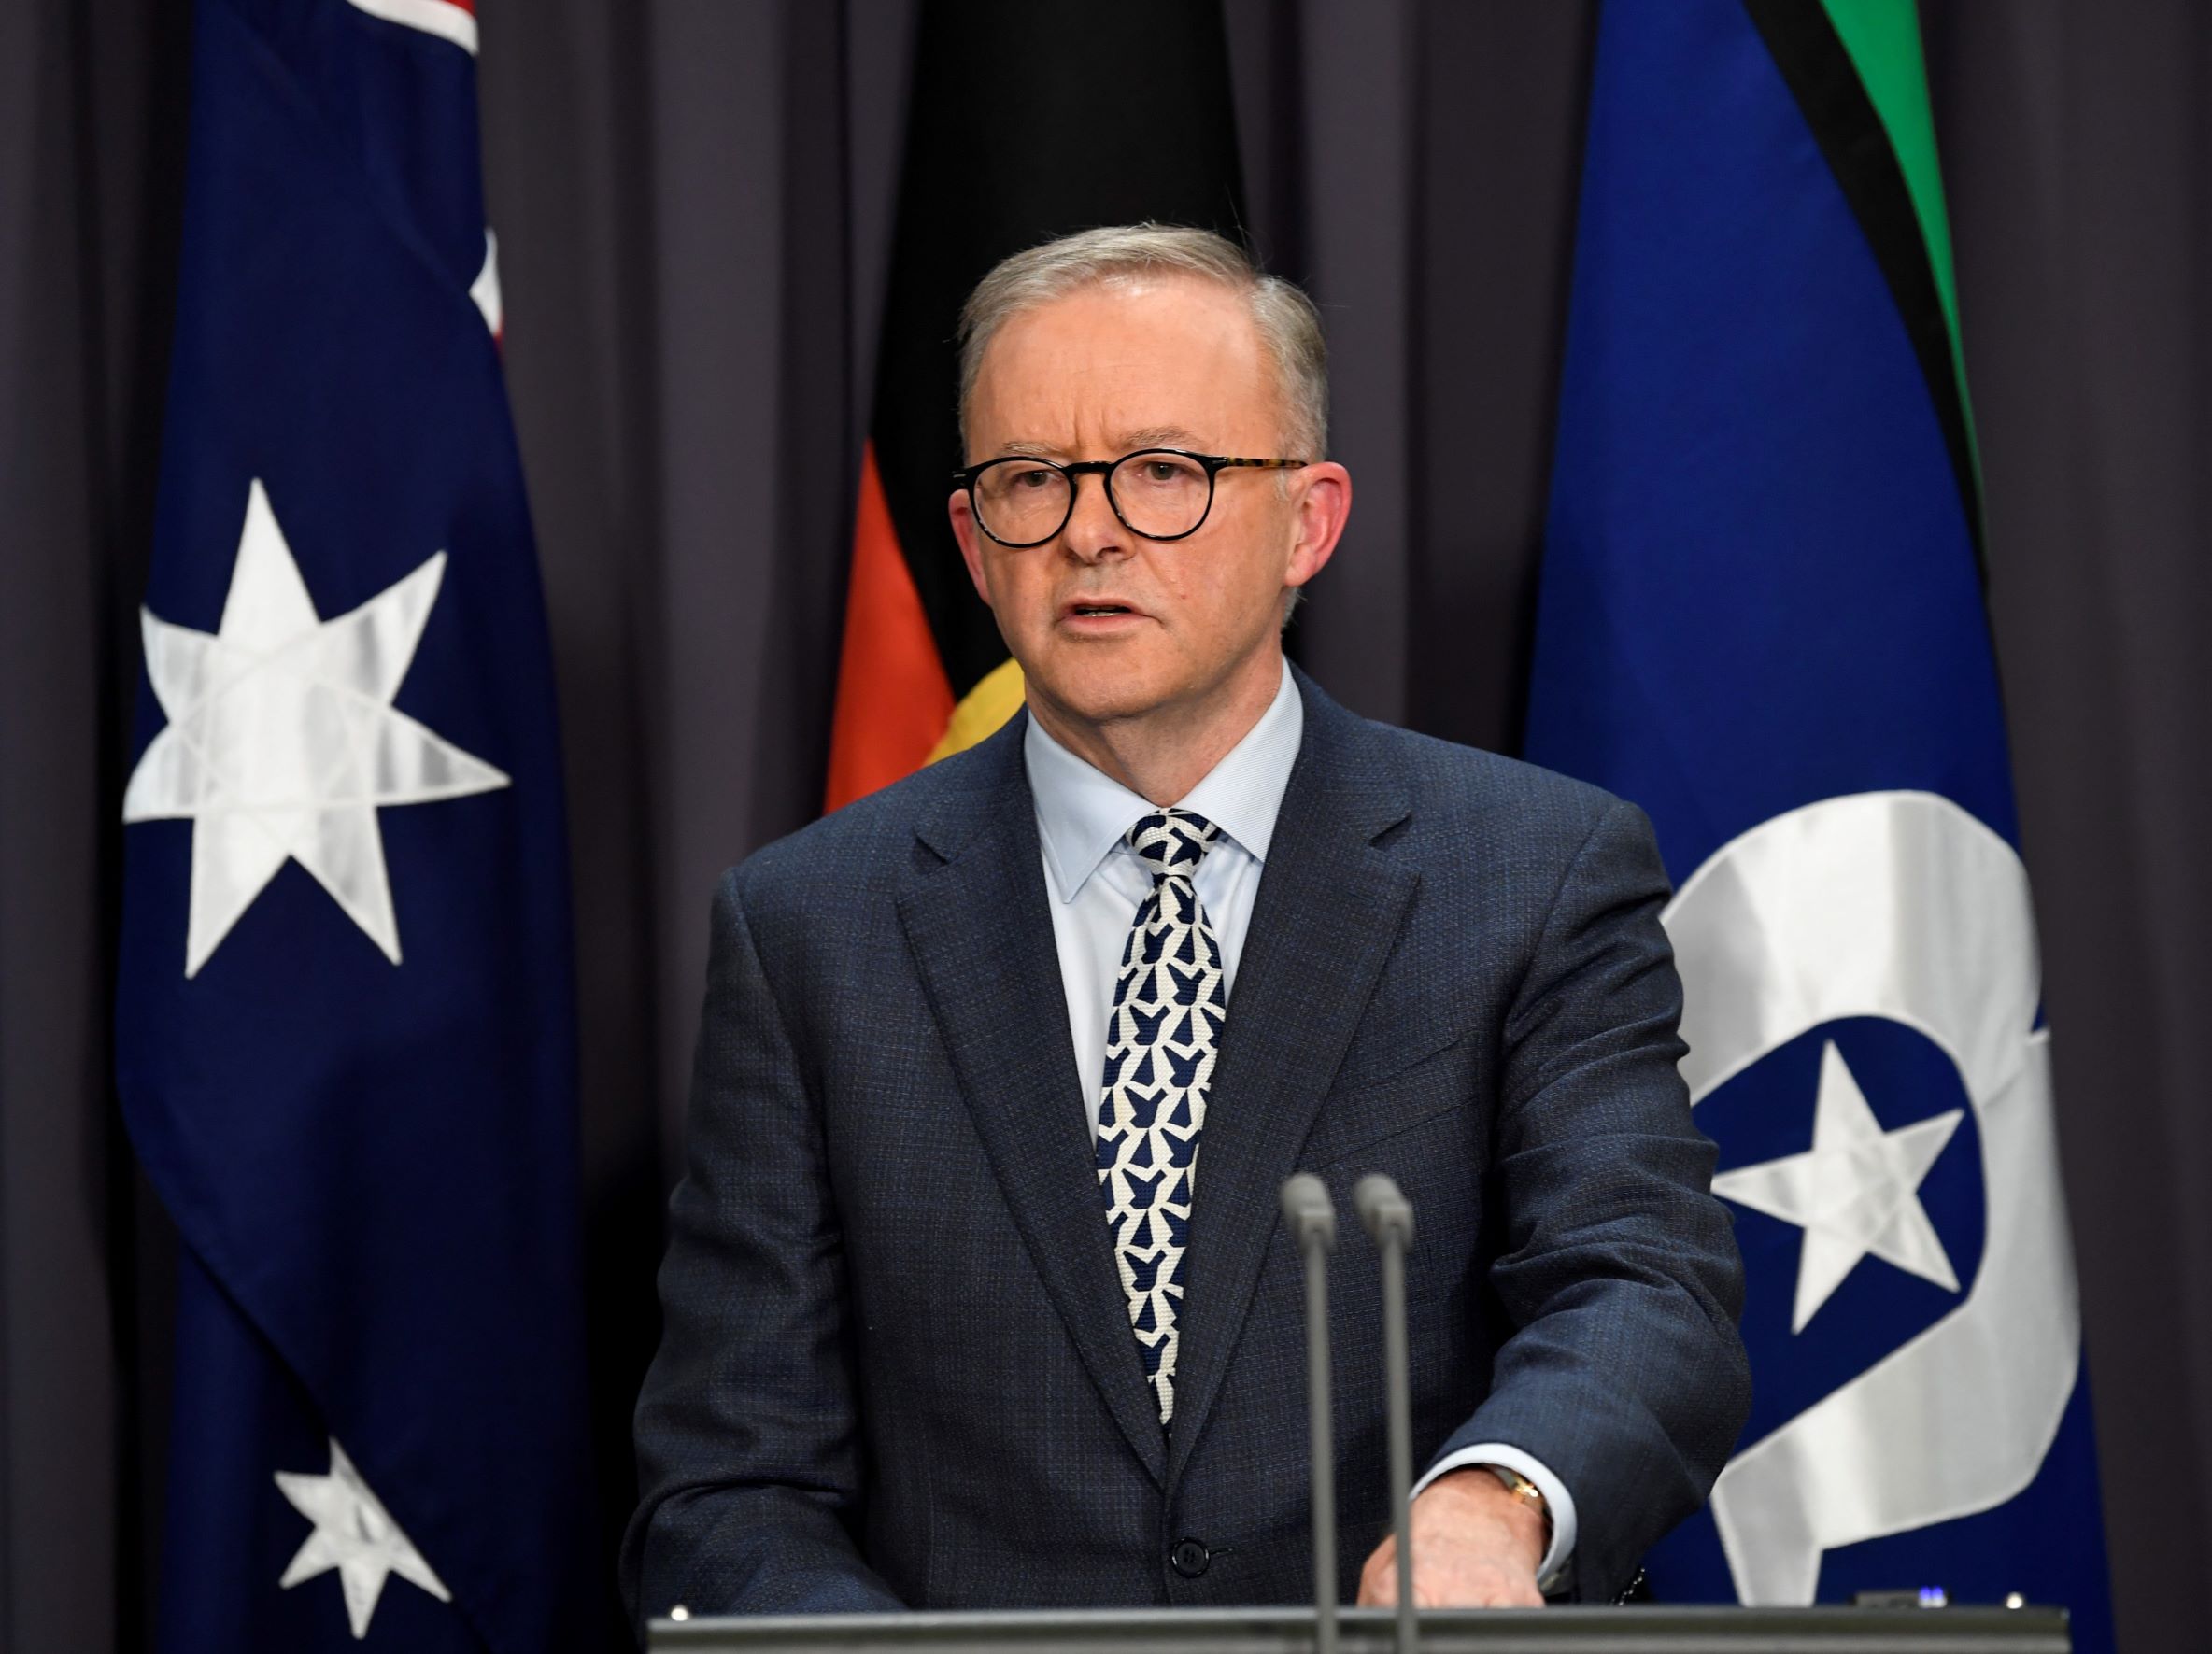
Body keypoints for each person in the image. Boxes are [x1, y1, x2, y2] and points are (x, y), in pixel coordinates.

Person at [621, 224, 1748, 1631]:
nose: (1090, 531)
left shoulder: (1533, 870)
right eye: (1032, 479)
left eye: (1165, 472)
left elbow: (1646, 1286)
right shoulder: (807, 930)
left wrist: (1494, 1501)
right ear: (974, 543)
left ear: (1309, 522)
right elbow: (730, 1483)